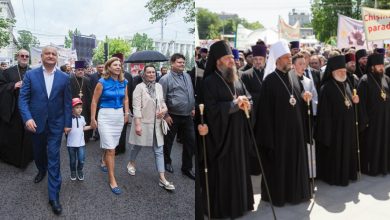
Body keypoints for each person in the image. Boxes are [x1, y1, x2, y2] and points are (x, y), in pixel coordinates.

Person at [200, 40, 254, 218]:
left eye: (232, 58)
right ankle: (226, 209)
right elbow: (211, 110)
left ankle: (242, 204)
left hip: (238, 134)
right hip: (222, 138)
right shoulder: (209, 82)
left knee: (240, 169)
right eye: (228, 58)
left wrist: (247, 104)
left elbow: (249, 97)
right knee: (225, 173)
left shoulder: (237, 78)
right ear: (218, 61)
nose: (233, 61)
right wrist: (233, 104)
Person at [255, 40, 311, 206]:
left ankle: (297, 194)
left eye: (289, 57)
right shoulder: (269, 81)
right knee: (281, 166)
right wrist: (270, 139)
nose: (289, 60)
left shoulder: (294, 76)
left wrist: (304, 97)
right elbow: (264, 113)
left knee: (295, 164)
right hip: (279, 135)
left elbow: (295, 100)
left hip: (296, 133)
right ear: (277, 60)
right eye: (286, 58)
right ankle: (281, 196)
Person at [18, 46, 72, 215]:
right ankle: (41, 169)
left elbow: (67, 103)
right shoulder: (31, 75)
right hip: (36, 124)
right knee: (39, 153)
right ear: (41, 56)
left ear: (57, 58)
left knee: (54, 158)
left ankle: (54, 196)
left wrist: (67, 123)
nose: (50, 56)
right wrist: (27, 118)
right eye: (47, 53)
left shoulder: (64, 78)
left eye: (53, 54)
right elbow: (23, 99)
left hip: (56, 125)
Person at [127, 65, 175, 191]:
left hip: (157, 123)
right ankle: (131, 163)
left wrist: (164, 110)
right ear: (144, 74)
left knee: (159, 150)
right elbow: (136, 107)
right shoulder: (139, 87)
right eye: (149, 72)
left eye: (153, 72)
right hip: (143, 122)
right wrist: (137, 124)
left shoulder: (159, 86)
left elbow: (162, 101)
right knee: (138, 145)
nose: (151, 74)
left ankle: (162, 178)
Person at [315, 55, 359, 186]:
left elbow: (348, 101)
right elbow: (324, 114)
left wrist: (355, 101)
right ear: (333, 71)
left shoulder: (346, 84)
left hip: (348, 128)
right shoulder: (326, 88)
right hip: (335, 130)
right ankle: (335, 177)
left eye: (344, 71)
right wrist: (329, 132)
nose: (343, 73)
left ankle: (349, 174)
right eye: (340, 71)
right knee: (336, 154)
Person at [90, 57, 129, 195]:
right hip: (105, 116)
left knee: (111, 145)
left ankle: (103, 160)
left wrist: (126, 113)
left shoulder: (124, 82)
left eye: (120, 65)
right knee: (111, 149)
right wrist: (92, 118)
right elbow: (94, 101)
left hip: (118, 116)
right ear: (109, 67)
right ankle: (112, 179)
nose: (118, 67)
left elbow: (126, 99)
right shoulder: (102, 82)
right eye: (115, 65)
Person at [159, 53, 195, 180]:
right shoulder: (165, 79)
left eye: (183, 62)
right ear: (172, 63)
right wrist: (166, 115)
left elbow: (190, 92)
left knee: (191, 141)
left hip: (188, 115)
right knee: (168, 142)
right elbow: (160, 99)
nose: (182, 64)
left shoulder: (187, 76)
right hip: (172, 116)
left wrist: (193, 107)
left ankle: (187, 168)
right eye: (179, 62)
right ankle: (167, 162)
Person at [358, 53, 390, 176]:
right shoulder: (365, 80)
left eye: (382, 65)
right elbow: (361, 104)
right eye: (379, 65)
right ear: (372, 67)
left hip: (386, 120)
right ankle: (373, 168)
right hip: (372, 122)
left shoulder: (386, 79)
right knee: (373, 145)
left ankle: (385, 166)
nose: (382, 67)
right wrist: (365, 120)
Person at [0, 49, 33, 168]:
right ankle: (13, 158)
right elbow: (1, 87)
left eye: (26, 56)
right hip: (13, 109)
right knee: (14, 134)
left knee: (28, 134)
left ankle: (27, 157)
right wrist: (13, 85)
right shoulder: (8, 72)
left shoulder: (33, 72)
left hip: (29, 109)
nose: (24, 57)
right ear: (17, 57)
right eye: (22, 55)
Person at [67, 98, 92, 181]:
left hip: (81, 144)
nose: (79, 109)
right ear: (72, 108)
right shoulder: (68, 118)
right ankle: (73, 171)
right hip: (71, 144)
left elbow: (83, 128)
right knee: (72, 160)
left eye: (80, 107)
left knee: (81, 160)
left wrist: (92, 126)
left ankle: (80, 170)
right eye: (77, 107)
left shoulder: (82, 118)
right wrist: (65, 129)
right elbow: (65, 129)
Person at [70, 60, 93, 143]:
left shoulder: (87, 80)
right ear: (75, 71)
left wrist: (90, 105)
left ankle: (85, 137)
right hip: (73, 105)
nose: (80, 71)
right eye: (78, 70)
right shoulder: (70, 79)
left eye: (82, 70)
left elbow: (90, 93)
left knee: (85, 120)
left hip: (85, 104)